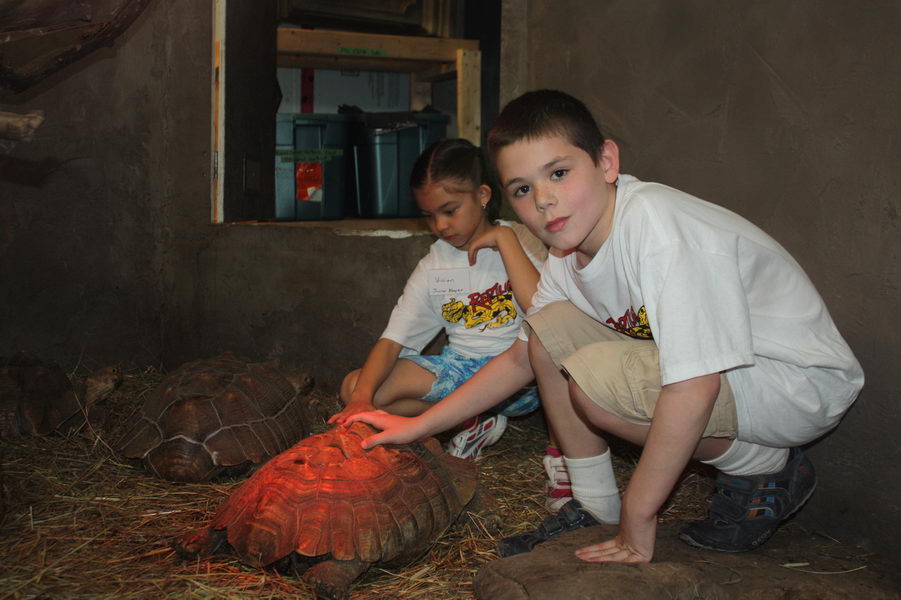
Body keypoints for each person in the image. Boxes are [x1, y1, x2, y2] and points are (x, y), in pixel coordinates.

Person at [348, 90, 864, 563]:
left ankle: (762, 466)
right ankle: (596, 505)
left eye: (559, 173)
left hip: (791, 382)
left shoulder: (657, 229)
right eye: (524, 188)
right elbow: (519, 357)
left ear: (607, 162)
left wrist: (641, 516)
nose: (544, 200)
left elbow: (695, 382)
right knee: (549, 332)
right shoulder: (565, 256)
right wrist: (416, 425)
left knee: (594, 387)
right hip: (730, 373)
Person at [330, 138, 572, 509]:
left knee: (563, 358)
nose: (440, 225)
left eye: (449, 210)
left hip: (526, 374)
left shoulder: (526, 236)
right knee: (356, 387)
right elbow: (394, 340)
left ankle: (562, 458)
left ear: (483, 195)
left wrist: (505, 241)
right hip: (461, 370)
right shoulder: (435, 264)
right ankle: (471, 419)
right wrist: (361, 400)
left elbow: (542, 313)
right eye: (429, 215)